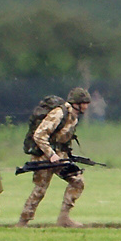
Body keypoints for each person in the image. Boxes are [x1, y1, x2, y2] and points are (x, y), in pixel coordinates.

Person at [19, 87, 90, 228]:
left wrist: (66, 155)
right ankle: (23, 222)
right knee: (40, 189)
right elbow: (39, 135)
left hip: (59, 156)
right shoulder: (59, 113)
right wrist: (51, 154)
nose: (86, 106)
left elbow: (62, 139)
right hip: (44, 156)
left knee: (77, 181)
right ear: (77, 103)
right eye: (84, 103)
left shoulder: (73, 117)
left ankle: (64, 218)